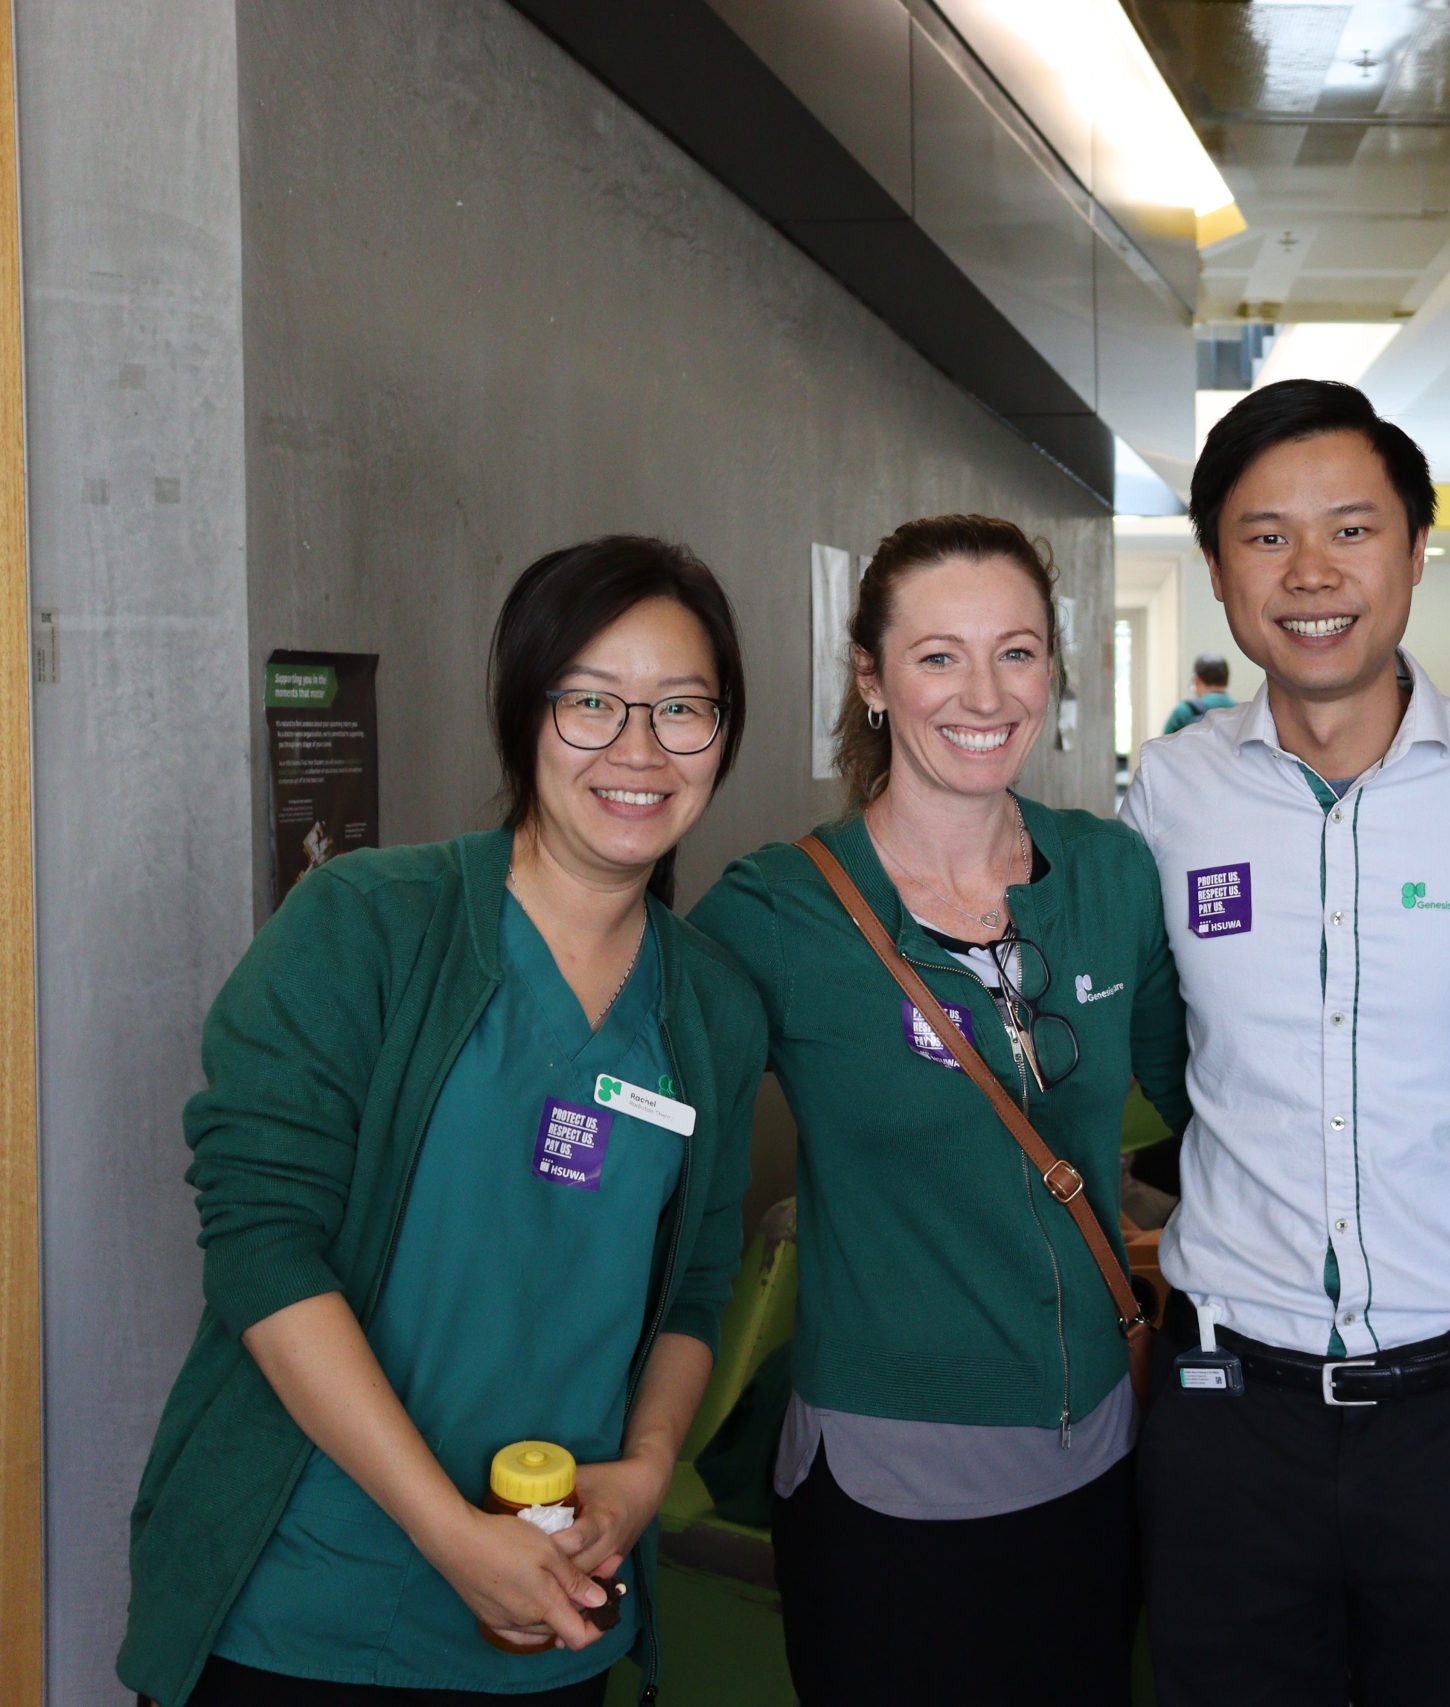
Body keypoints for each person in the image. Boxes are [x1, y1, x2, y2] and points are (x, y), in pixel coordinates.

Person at [118, 536, 768, 1707]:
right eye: (591, 704)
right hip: (304, 1610)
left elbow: (698, 1281)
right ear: (523, 714)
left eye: (682, 708)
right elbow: (263, 1247)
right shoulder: (368, 925)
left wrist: (643, 1470)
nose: (639, 749)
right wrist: (450, 1536)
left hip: (557, 1618)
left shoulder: (710, 1002)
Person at [1124, 379, 1450, 1707]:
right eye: (1265, 535)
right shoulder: (1170, 793)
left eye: (1351, 528)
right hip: (1227, 1411)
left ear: (1415, 547)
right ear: (1217, 569)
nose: (1311, 572)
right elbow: (1164, 1044)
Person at [689, 514, 1189, 1706]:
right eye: (936, 656)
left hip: (1099, 1464)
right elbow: (650, 1126)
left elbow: (1210, 1106)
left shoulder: (1111, 875)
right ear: (869, 678)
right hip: (883, 1483)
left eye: (1015, 653)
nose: (983, 692)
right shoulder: (776, 911)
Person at [1162, 651, 1236, 733]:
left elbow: (1164, 744)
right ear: (1226, 679)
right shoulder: (1241, 711)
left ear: (1196, 680)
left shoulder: (1184, 711)